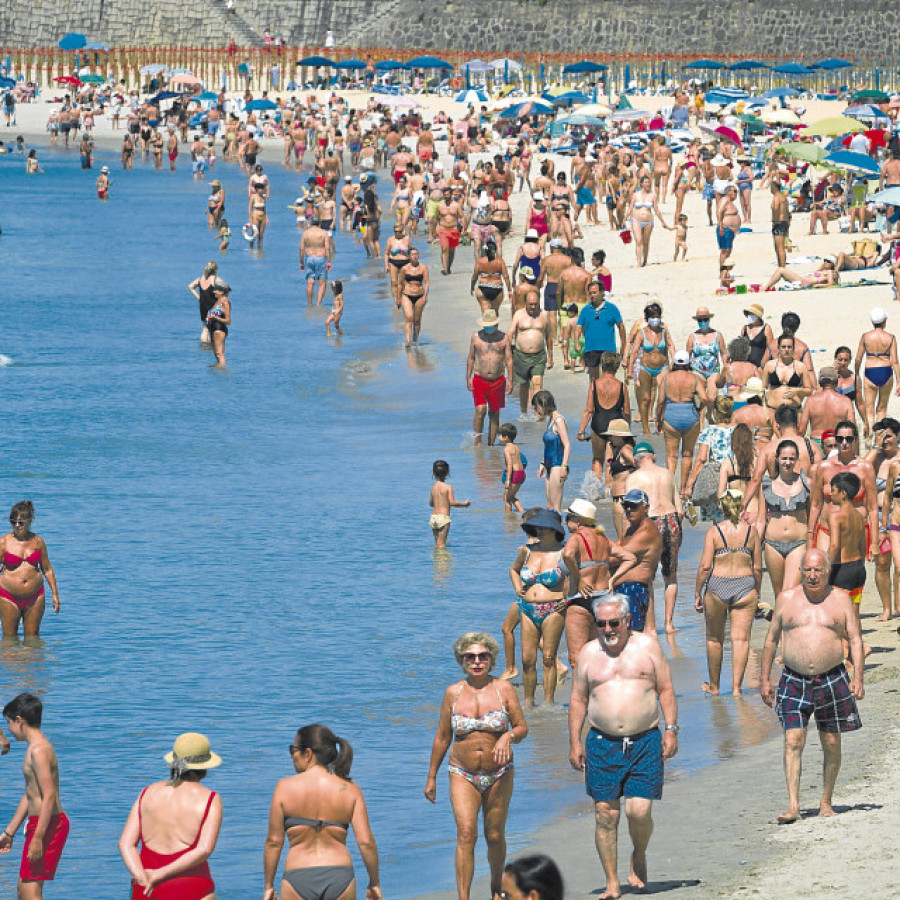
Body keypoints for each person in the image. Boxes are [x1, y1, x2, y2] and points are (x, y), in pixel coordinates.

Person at [568, 593, 678, 899]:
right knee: (605, 814)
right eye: (601, 623)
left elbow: (666, 689)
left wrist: (671, 730)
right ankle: (612, 882)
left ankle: (638, 854)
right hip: (602, 744)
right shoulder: (589, 654)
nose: (607, 629)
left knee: (638, 811)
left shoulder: (647, 647)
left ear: (627, 621)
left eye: (614, 622)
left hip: (645, 740)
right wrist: (574, 741)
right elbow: (577, 699)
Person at [760, 549, 864, 824]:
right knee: (794, 739)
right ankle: (793, 805)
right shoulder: (786, 599)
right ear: (801, 571)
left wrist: (859, 678)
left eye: (818, 570)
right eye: (807, 570)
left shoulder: (841, 599)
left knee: (830, 741)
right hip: (793, 679)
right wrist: (764, 680)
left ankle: (826, 801)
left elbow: (855, 639)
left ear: (827, 571)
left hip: (833, 677)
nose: (812, 575)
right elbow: (771, 640)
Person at [425, 632, 527, 900]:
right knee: (466, 834)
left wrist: (508, 736)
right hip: (462, 772)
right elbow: (443, 737)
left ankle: (496, 890)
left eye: (483, 656)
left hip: (499, 772)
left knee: (494, 835)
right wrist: (431, 776)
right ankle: (463, 896)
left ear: (491, 659)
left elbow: (521, 727)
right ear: (461, 660)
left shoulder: (503, 689)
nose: (477, 661)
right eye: (470, 656)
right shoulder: (453, 693)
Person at [265, 725, 381, 900]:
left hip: (297, 876)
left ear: (308, 754)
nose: (292, 756)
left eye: (293, 749)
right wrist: (374, 883)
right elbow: (366, 842)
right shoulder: (350, 789)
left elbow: (274, 842)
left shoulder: (284, 787)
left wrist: (269, 885)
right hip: (340, 876)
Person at [119, 732, 222, 900]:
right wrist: (159, 874)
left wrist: (143, 877)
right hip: (189, 889)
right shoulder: (210, 799)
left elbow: (125, 844)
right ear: (204, 766)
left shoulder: (147, 792)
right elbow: (204, 850)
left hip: (145, 889)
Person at [0, 693, 69, 896]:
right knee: (23, 890)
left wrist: (38, 837)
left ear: (19, 720)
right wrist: (9, 832)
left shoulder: (39, 750)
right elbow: (30, 795)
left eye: (9, 723)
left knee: (30, 892)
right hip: (40, 823)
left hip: (48, 825)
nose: (9, 730)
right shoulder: (33, 748)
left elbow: (48, 796)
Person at [695, 490, 762, 695]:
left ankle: (714, 687)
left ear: (721, 508)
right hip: (744, 585)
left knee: (714, 639)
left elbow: (705, 566)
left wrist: (698, 592)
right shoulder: (752, 532)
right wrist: (756, 591)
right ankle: (736, 688)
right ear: (741, 506)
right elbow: (757, 567)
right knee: (741, 640)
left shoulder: (715, 532)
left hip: (717, 586)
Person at [560, 499, 636, 669]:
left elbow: (568, 554)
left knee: (576, 659)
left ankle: (582, 694)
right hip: (603, 599)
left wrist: (578, 577)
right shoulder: (603, 538)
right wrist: (612, 579)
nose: (565, 522)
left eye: (568, 518)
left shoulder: (576, 537)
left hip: (581, 599)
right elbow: (631, 558)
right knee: (600, 654)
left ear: (578, 520)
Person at [509, 510, 568, 707]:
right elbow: (514, 569)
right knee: (527, 659)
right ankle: (528, 704)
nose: (539, 531)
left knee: (549, 657)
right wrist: (518, 588)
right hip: (527, 608)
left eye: (543, 527)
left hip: (554, 607)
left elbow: (579, 576)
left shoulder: (564, 552)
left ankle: (549, 703)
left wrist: (568, 598)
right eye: (537, 527)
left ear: (554, 529)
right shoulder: (527, 551)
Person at [627, 443, 683, 634]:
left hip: (649, 524)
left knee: (646, 576)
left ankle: (651, 627)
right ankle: (669, 624)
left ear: (636, 460)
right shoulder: (667, 473)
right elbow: (680, 509)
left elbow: (630, 510)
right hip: (671, 520)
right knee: (671, 575)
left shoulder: (633, 477)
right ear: (653, 456)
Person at [0, 501, 60, 638]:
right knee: (9, 639)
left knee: (33, 639)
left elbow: (47, 569)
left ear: (30, 521)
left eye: (20, 523)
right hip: (8, 596)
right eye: (13, 522)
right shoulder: (4, 542)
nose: (16, 526)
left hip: (35, 596)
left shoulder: (38, 542)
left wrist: (55, 594)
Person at [759, 440, 810, 597]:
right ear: (777, 458)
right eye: (784, 458)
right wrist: (752, 547)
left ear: (797, 459)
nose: (788, 462)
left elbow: (813, 516)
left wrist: (813, 543)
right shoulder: (767, 484)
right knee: (778, 594)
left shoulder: (806, 483)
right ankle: (779, 621)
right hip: (772, 544)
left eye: (791, 458)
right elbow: (761, 520)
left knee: (789, 592)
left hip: (798, 543)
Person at [576, 353, 629, 483]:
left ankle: (595, 492)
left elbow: (588, 410)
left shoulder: (594, 384)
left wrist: (581, 431)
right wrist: (627, 430)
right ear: (616, 367)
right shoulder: (621, 386)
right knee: (610, 460)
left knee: (597, 459)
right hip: (615, 426)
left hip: (598, 424)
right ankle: (608, 491)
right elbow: (626, 411)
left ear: (602, 365)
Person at [617, 489, 663, 634]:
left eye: (634, 506)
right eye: (626, 506)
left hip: (632, 589)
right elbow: (613, 549)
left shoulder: (646, 532)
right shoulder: (630, 529)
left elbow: (614, 557)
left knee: (631, 637)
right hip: (625, 589)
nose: (629, 509)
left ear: (646, 508)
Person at [656, 350, 703, 492]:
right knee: (687, 454)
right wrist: (700, 408)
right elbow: (706, 397)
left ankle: (671, 489)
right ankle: (683, 488)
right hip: (690, 415)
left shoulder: (666, 378)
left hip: (671, 416)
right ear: (688, 363)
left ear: (674, 363)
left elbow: (660, 402)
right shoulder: (694, 378)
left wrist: (659, 420)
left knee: (671, 455)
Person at [467, 310, 513, 447]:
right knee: (480, 410)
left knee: (494, 413)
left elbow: (509, 360)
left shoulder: (504, 338)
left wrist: (511, 380)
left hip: (497, 380)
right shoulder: (476, 337)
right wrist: (468, 378)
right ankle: (478, 441)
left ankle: (491, 444)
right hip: (479, 378)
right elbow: (471, 358)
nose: (489, 327)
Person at [624, 303, 672, 436]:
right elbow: (634, 352)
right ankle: (646, 427)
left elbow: (670, 344)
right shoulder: (642, 333)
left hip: (663, 367)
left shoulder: (664, 330)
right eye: (652, 316)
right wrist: (630, 369)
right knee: (645, 398)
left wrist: (674, 360)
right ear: (647, 318)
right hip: (645, 368)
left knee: (662, 399)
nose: (655, 319)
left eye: (657, 316)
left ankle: (660, 423)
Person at [855, 307, 900, 433]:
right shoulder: (890, 337)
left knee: (869, 410)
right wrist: (898, 381)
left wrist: (856, 374)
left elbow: (858, 358)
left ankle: (870, 439)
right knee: (882, 409)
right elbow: (895, 361)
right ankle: (881, 436)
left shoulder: (865, 337)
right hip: (886, 370)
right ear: (884, 320)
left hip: (870, 371)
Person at [575, 280, 625, 379]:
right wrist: (576, 342)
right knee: (594, 379)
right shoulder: (585, 310)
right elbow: (578, 327)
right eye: (590, 293)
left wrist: (624, 344)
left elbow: (621, 326)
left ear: (602, 292)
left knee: (608, 378)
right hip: (591, 348)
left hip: (608, 349)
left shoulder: (612, 308)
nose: (592, 295)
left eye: (594, 292)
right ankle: (594, 394)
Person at [532, 391, 570, 514]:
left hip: (557, 465)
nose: (536, 411)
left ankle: (559, 532)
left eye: (536, 407)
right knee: (549, 506)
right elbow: (548, 446)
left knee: (555, 508)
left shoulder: (559, 420)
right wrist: (542, 463)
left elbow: (567, 445)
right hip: (548, 464)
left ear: (543, 404)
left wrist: (564, 466)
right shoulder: (550, 420)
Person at [799, 366, 856, 448]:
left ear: (820, 382)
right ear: (836, 381)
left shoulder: (811, 400)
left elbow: (801, 430)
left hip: (816, 442)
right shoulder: (845, 401)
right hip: (837, 442)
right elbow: (852, 429)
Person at [686, 307, 728, 408]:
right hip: (697, 370)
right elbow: (687, 355)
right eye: (700, 320)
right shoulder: (692, 337)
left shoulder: (718, 335)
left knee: (712, 394)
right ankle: (700, 418)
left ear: (709, 320)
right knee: (701, 396)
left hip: (713, 371)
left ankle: (709, 415)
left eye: (705, 319)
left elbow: (724, 352)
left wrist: (726, 366)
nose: (703, 322)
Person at [762, 334, 813, 410]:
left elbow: (809, 390)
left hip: (793, 409)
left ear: (793, 349)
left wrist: (797, 390)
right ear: (778, 348)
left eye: (789, 347)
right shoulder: (769, 365)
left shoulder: (800, 366)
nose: (786, 350)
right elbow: (763, 388)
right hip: (773, 409)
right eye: (783, 347)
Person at [429, 460, 471, 549]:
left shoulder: (433, 488)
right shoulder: (448, 487)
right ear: (447, 473)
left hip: (433, 517)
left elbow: (431, 503)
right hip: (443, 517)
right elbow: (452, 502)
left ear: (433, 472)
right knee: (442, 544)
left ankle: (437, 562)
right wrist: (464, 504)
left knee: (437, 544)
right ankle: (444, 562)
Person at [397, 247, 429, 348]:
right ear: (409, 256)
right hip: (407, 294)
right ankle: (407, 341)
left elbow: (427, 282)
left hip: (419, 295)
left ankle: (415, 340)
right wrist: (398, 298)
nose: (415, 256)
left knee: (417, 320)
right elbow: (400, 284)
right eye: (412, 254)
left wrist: (425, 296)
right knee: (409, 317)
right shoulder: (405, 268)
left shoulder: (423, 267)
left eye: (416, 254)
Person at [299, 217, 334, 307]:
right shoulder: (323, 233)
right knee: (322, 283)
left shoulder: (305, 233)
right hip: (321, 257)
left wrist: (301, 262)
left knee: (310, 283)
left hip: (309, 258)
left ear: (311, 223)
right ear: (319, 223)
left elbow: (302, 248)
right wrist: (329, 261)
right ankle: (318, 304)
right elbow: (327, 248)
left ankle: (310, 305)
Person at [188, 262, 219, 344]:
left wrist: (198, 297)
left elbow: (190, 286)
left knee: (205, 328)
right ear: (215, 270)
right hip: (213, 306)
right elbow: (226, 288)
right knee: (213, 328)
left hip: (202, 305)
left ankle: (204, 345)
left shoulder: (200, 279)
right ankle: (212, 346)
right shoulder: (216, 279)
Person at [499, 424, 527, 512]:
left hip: (514, 474)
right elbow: (521, 461)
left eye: (500, 435)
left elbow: (510, 464)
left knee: (506, 498)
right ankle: (522, 512)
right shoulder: (516, 447)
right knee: (511, 496)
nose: (498, 437)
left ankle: (508, 517)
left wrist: (507, 480)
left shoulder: (507, 449)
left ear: (506, 437)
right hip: (521, 473)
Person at [206, 282, 232, 367]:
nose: (214, 291)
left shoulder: (225, 302)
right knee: (216, 354)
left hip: (219, 328)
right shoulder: (218, 301)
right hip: (212, 329)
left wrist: (215, 317)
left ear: (222, 292)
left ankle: (223, 371)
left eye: (216, 290)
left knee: (220, 353)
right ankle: (219, 372)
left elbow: (228, 321)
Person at [741, 303, 774, 368]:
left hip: (761, 366)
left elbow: (770, 348)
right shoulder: (744, 328)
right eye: (749, 314)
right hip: (746, 365)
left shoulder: (766, 328)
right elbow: (740, 347)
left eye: (752, 314)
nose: (750, 316)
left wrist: (763, 364)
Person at [771, 180, 790, 268]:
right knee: (781, 247)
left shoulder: (776, 197)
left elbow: (775, 208)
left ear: (773, 188)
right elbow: (788, 213)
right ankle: (781, 266)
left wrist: (775, 221)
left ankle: (782, 267)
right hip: (785, 222)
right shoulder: (784, 197)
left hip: (778, 223)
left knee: (779, 248)